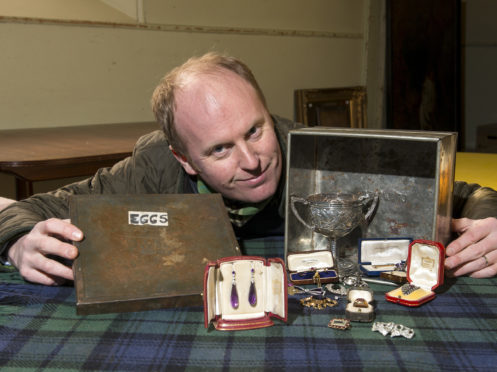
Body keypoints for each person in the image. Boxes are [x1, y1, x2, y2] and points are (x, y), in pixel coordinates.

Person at [0, 52, 496, 285]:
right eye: (219, 150)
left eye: (255, 130)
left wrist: (492, 221)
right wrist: (19, 239)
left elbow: (468, 192)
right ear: (183, 159)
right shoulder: (151, 167)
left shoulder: (314, 154)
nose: (253, 161)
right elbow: (36, 207)